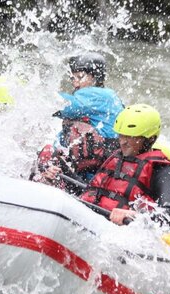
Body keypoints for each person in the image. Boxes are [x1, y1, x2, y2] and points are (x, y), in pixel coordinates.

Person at [79, 104, 170, 226]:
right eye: (121, 135)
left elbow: (169, 215)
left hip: (125, 232)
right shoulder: (115, 156)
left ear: (150, 139)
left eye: (130, 137)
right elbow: (91, 190)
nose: (123, 142)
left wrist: (134, 215)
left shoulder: (164, 170)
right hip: (93, 216)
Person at [31, 52, 124, 193]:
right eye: (72, 77)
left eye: (80, 77)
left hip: (96, 176)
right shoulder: (97, 101)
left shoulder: (99, 95)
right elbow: (62, 139)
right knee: (48, 153)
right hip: (87, 172)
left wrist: (26, 95)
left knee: (47, 154)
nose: (75, 82)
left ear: (95, 77)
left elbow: (55, 104)